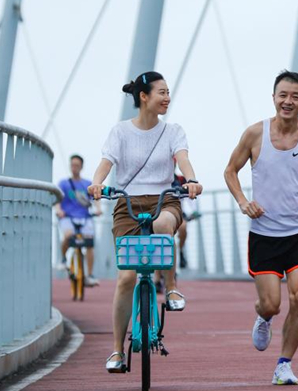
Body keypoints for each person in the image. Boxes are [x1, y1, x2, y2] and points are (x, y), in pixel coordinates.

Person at [87, 71, 203, 373]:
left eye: (168, 92)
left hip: (164, 198)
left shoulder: (173, 130)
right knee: (126, 278)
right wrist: (97, 184)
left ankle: (172, 286)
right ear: (144, 96)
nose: (166, 98)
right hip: (127, 202)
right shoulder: (121, 132)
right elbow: (105, 163)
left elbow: (183, 159)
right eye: (161, 92)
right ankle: (116, 351)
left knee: (165, 226)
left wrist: (190, 179)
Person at [223, 70, 298, 385]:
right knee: (272, 303)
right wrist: (244, 202)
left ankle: (284, 364)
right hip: (264, 234)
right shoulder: (254, 134)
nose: (288, 101)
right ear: (274, 98)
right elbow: (230, 171)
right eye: (283, 95)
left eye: (295, 96)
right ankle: (263, 316)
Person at [55, 154, 101, 286]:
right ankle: (63, 259)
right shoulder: (63, 183)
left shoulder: (87, 184)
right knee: (68, 236)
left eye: (77, 165)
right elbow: (58, 199)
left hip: (85, 217)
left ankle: (90, 275)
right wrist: (59, 210)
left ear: (81, 167)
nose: (74, 167)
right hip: (67, 217)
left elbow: (95, 199)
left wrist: (98, 209)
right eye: (72, 165)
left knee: (90, 243)